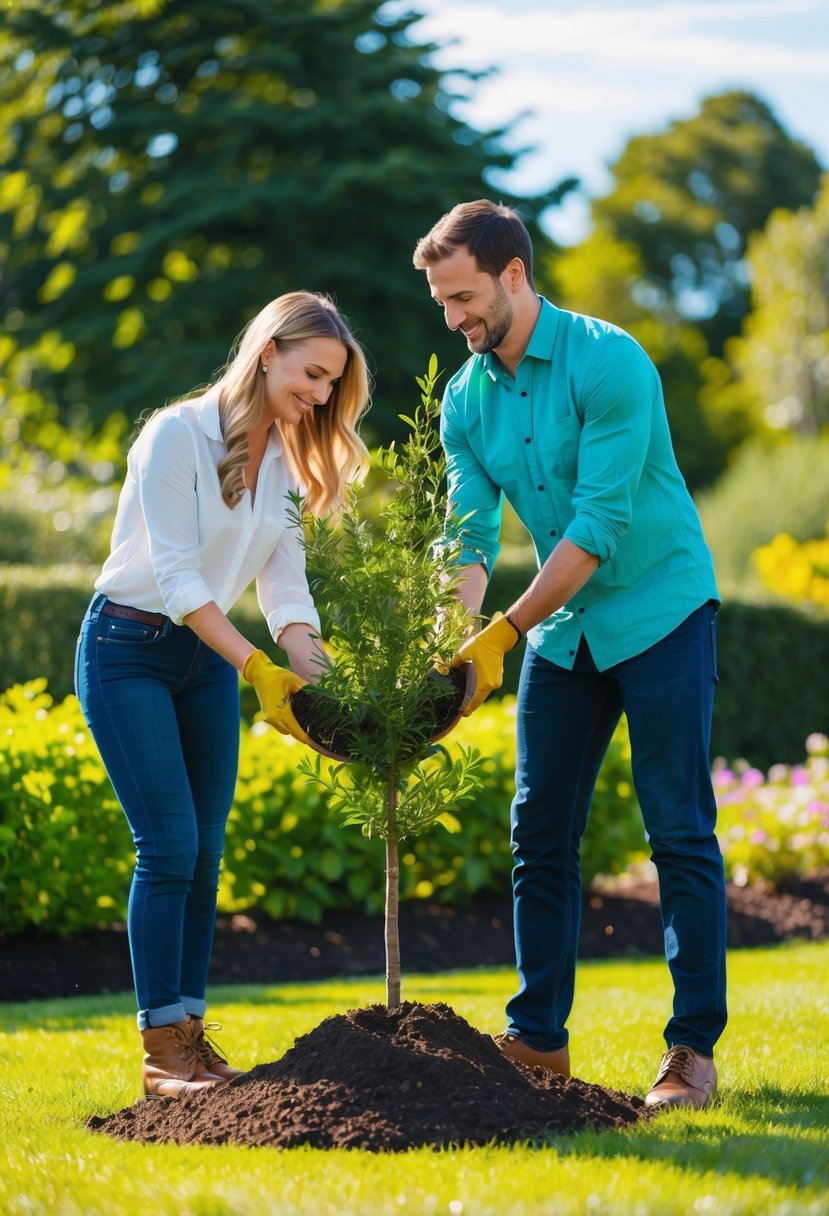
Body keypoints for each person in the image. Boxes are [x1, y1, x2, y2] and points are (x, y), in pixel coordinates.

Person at [413, 200, 726, 1109]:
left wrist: (502, 632)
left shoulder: (609, 360)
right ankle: (537, 1040)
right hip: (564, 630)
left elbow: (596, 527)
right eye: (441, 302)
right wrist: (452, 637)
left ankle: (690, 1051)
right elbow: (466, 535)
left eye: (464, 297)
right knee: (537, 828)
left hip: (658, 607)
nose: (454, 319)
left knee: (677, 828)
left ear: (514, 274)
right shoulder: (465, 398)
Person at [75, 291, 370, 1098]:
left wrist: (332, 694)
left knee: (205, 857)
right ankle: (159, 1051)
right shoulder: (175, 434)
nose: (317, 395)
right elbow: (173, 577)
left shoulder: (283, 460)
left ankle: (194, 1038)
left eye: (330, 385)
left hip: (204, 663)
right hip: (128, 649)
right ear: (268, 349)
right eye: (311, 374)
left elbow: (285, 592)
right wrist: (255, 669)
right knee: (167, 846)